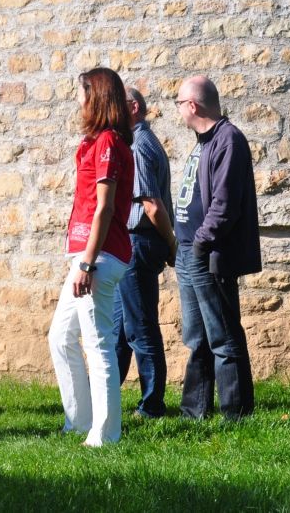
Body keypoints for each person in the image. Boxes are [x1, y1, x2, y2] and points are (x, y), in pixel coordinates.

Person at [48, 67, 135, 447]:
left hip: (98, 257)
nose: (77, 99)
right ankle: (80, 420)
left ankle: (105, 435)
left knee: (98, 344)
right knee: (60, 338)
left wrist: (86, 263)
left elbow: (104, 209)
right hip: (85, 256)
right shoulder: (95, 143)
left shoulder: (110, 143)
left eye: (81, 92)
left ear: (95, 96)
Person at [172, 74, 262, 420]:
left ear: (192, 105)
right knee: (197, 338)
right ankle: (194, 411)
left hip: (207, 255)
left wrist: (200, 243)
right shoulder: (204, 141)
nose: (178, 111)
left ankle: (237, 415)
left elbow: (224, 205)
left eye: (179, 103)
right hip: (189, 252)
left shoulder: (228, 140)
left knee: (223, 336)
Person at [112, 87, 177, 419]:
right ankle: (105, 402)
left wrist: (171, 242)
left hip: (139, 243)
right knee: (121, 331)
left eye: (116, 105)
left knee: (140, 329)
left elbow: (152, 206)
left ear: (133, 107)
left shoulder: (138, 146)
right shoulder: (142, 143)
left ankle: (152, 406)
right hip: (136, 244)